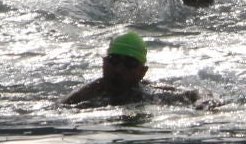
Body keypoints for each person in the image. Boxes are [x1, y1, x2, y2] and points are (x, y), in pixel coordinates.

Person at [63, 30, 210, 108]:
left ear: (142, 72)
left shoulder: (150, 92)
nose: (119, 69)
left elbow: (197, 93)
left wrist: (205, 101)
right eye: (114, 60)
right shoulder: (82, 97)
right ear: (104, 62)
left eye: (130, 63)